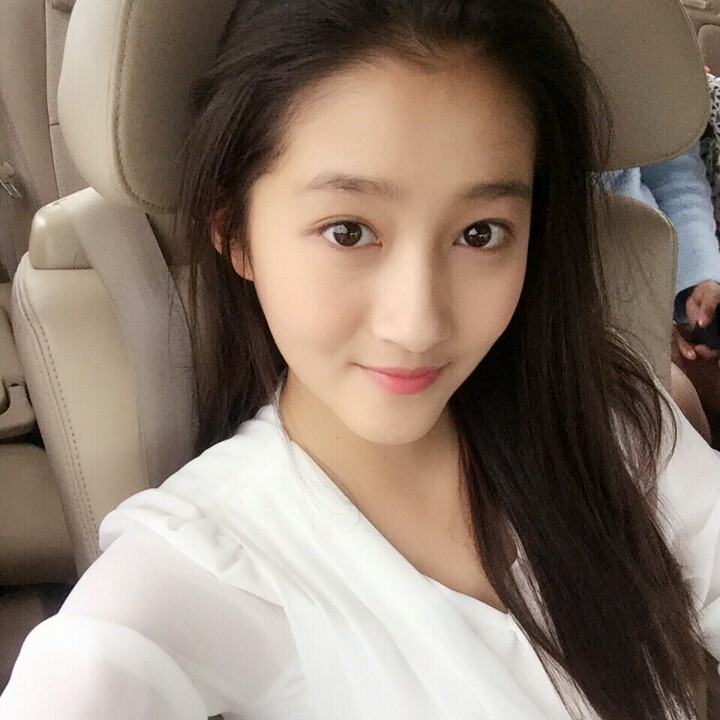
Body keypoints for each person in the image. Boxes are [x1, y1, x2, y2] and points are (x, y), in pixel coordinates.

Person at [2, 1, 720, 718]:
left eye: (480, 233)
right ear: (237, 235)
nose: (418, 323)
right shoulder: (201, 569)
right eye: (348, 231)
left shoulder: (614, 428)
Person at [605, 143, 720, 444]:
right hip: (585, 310)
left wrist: (701, 277)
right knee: (672, 407)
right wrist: (640, 320)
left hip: (660, 281)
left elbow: (675, 175)